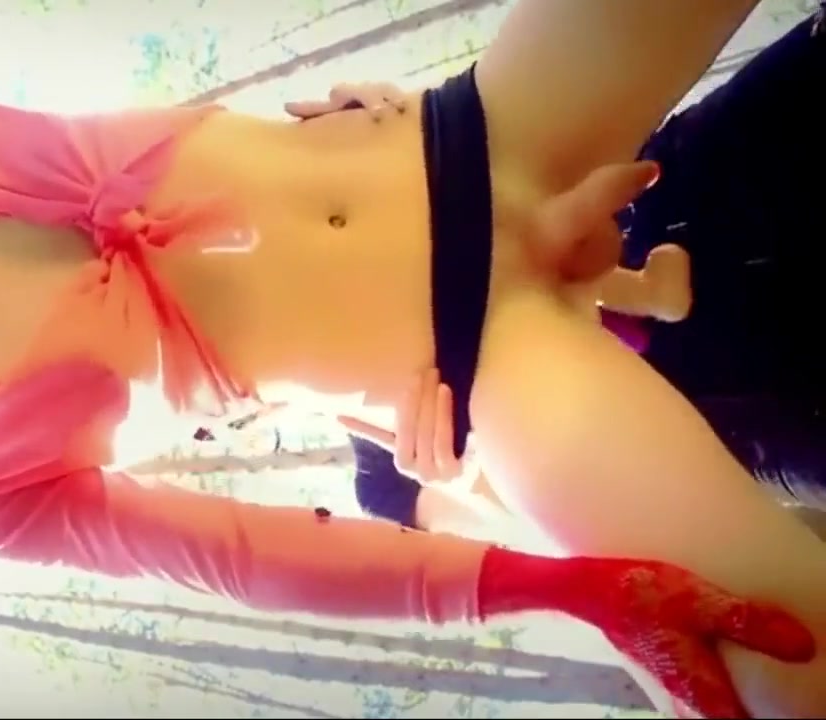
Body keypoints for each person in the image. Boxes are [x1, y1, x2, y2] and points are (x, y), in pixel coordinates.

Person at [0, 0, 826, 715]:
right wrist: (563, 589)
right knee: (785, 669)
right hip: (501, 361)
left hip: (492, 129)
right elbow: (241, 556)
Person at [350, 5, 826, 527]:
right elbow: (525, 527)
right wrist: (472, 476)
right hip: (712, 401)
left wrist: (388, 131)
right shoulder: (386, 476)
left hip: (667, 206)